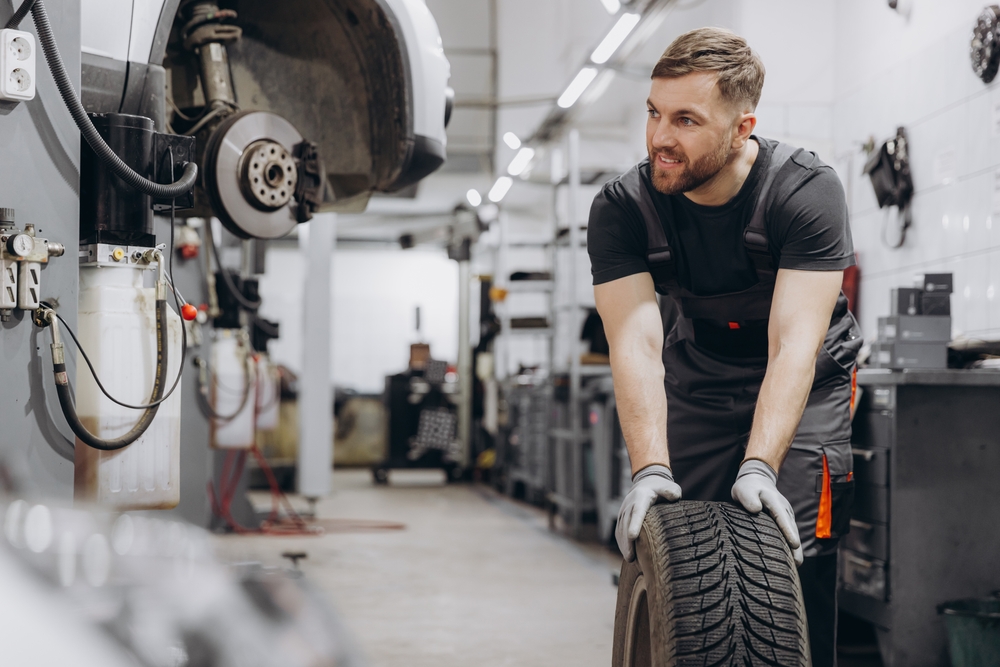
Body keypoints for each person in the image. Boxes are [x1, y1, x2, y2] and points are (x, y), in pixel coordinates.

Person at [588, 27, 861, 667]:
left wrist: (762, 464)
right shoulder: (624, 207)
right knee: (680, 550)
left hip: (807, 380)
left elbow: (795, 342)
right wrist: (650, 467)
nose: (659, 138)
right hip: (699, 377)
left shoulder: (804, 192)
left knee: (790, 559)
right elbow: (634, 341)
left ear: (742, 128)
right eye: (654, 113)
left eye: (686, 120)